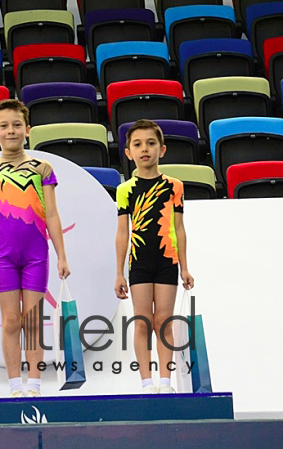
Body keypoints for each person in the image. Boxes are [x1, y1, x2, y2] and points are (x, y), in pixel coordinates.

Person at [0, 99, 71, 398]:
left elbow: (52, 214)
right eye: (3, 126)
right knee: (11, 320)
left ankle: (35, 384)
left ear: (28, 130)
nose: (10, 131)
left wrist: (62, 254)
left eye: (16, 125)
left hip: (37, 254)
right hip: (4, 256)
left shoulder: (42, 168)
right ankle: (15, 384)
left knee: (33, 319)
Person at [114, 119, 194, 394]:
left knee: (164, 321)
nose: (144, 149)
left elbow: (179, 227)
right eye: (137, 144)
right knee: (142, 320)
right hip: (139, 262)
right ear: (128, 152)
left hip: (167, 260)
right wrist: (119, 272)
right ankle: (147, 382)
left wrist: (184, 267)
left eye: (151, 143)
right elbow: (123, 233)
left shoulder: (175, 186)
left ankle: (165, 381)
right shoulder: (125, 190)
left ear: (162, 149)